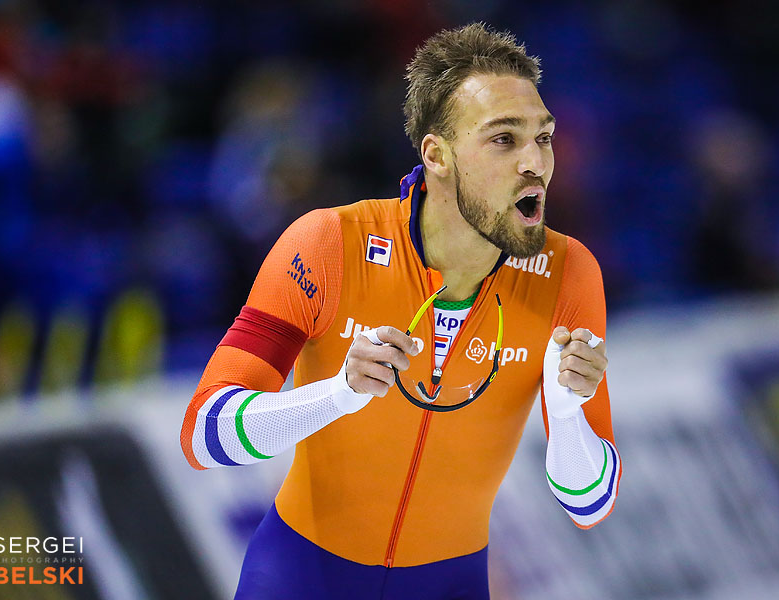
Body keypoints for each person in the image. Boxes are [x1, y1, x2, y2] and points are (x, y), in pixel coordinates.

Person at [180, 22, 620, 600]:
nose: (535, 162)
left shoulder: (568, 273)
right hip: (302, 576)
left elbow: (591, 503)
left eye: (543, 137)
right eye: (503, 140)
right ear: (437, 155)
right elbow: (203, 435)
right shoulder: (331, 244)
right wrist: (336, 396)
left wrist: (566, 415)